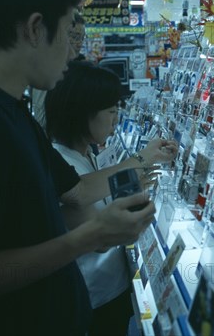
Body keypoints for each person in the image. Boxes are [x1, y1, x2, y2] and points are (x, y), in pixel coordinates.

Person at [0, 0, 175, 335]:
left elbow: (72, 193)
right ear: (35, 29)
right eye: (69, 33)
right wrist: (89, 237)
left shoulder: (9, 110)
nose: (73, 51)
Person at [44, 61, 150, 335]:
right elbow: (101, 240)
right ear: (83, 113)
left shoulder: (83, 153)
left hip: (108, 288)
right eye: (112, 110)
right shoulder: (64, 167)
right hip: (96, 297)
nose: (117, 118)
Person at [31, 11, 86, 128]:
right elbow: (41, 118)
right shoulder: (48, 71)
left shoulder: (75, 68)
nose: (79, 43)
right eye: (75, 37)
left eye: (82, 38)